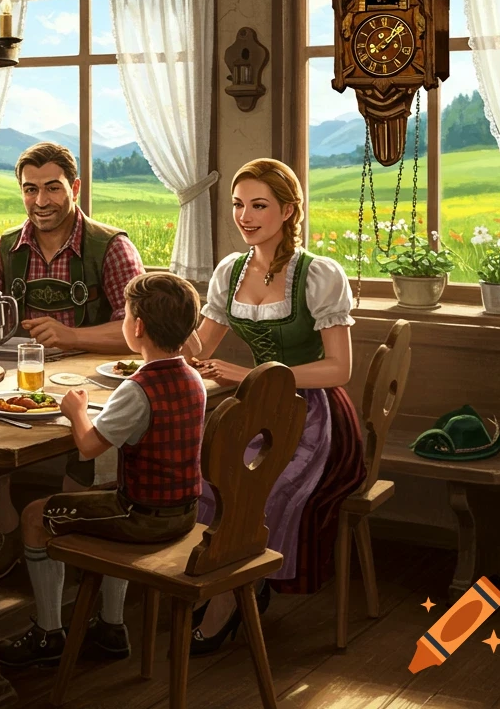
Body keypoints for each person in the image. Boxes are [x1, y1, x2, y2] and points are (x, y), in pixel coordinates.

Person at [187, 158, 365, 654]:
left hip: (316, 415)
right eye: (239, 204)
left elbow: (338, 369)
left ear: (288, 210)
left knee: (262, 486)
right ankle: (226, 583)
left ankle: (237, 594)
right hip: (257, 413)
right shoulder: (231, 271)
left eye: (259, 205)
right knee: (210, 477)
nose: (245, 216)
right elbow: (200, 347)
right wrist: (157, 337)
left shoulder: (318, 275)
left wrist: (251, 376)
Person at [0, 271, 206, 668]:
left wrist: (76, 411)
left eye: (126, 316)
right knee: (107, 487)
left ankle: (48, 633)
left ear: (138, 327)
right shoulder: (192, 377)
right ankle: (110, 626)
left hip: (140, 518)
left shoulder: (137, 387)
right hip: (183, 512)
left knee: (35, 516)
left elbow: (89, 447)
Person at [0, 142, 147, 574]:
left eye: (52, 188)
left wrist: (71, 334)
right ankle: (9, 529)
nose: (41, 201)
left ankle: (71, 545)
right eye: (30, 190)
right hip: (19, 381)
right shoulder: (6, 247)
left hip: (92, 383)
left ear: (76, 187)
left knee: (83, 449)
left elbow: (139, 330)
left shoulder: (110, 247)